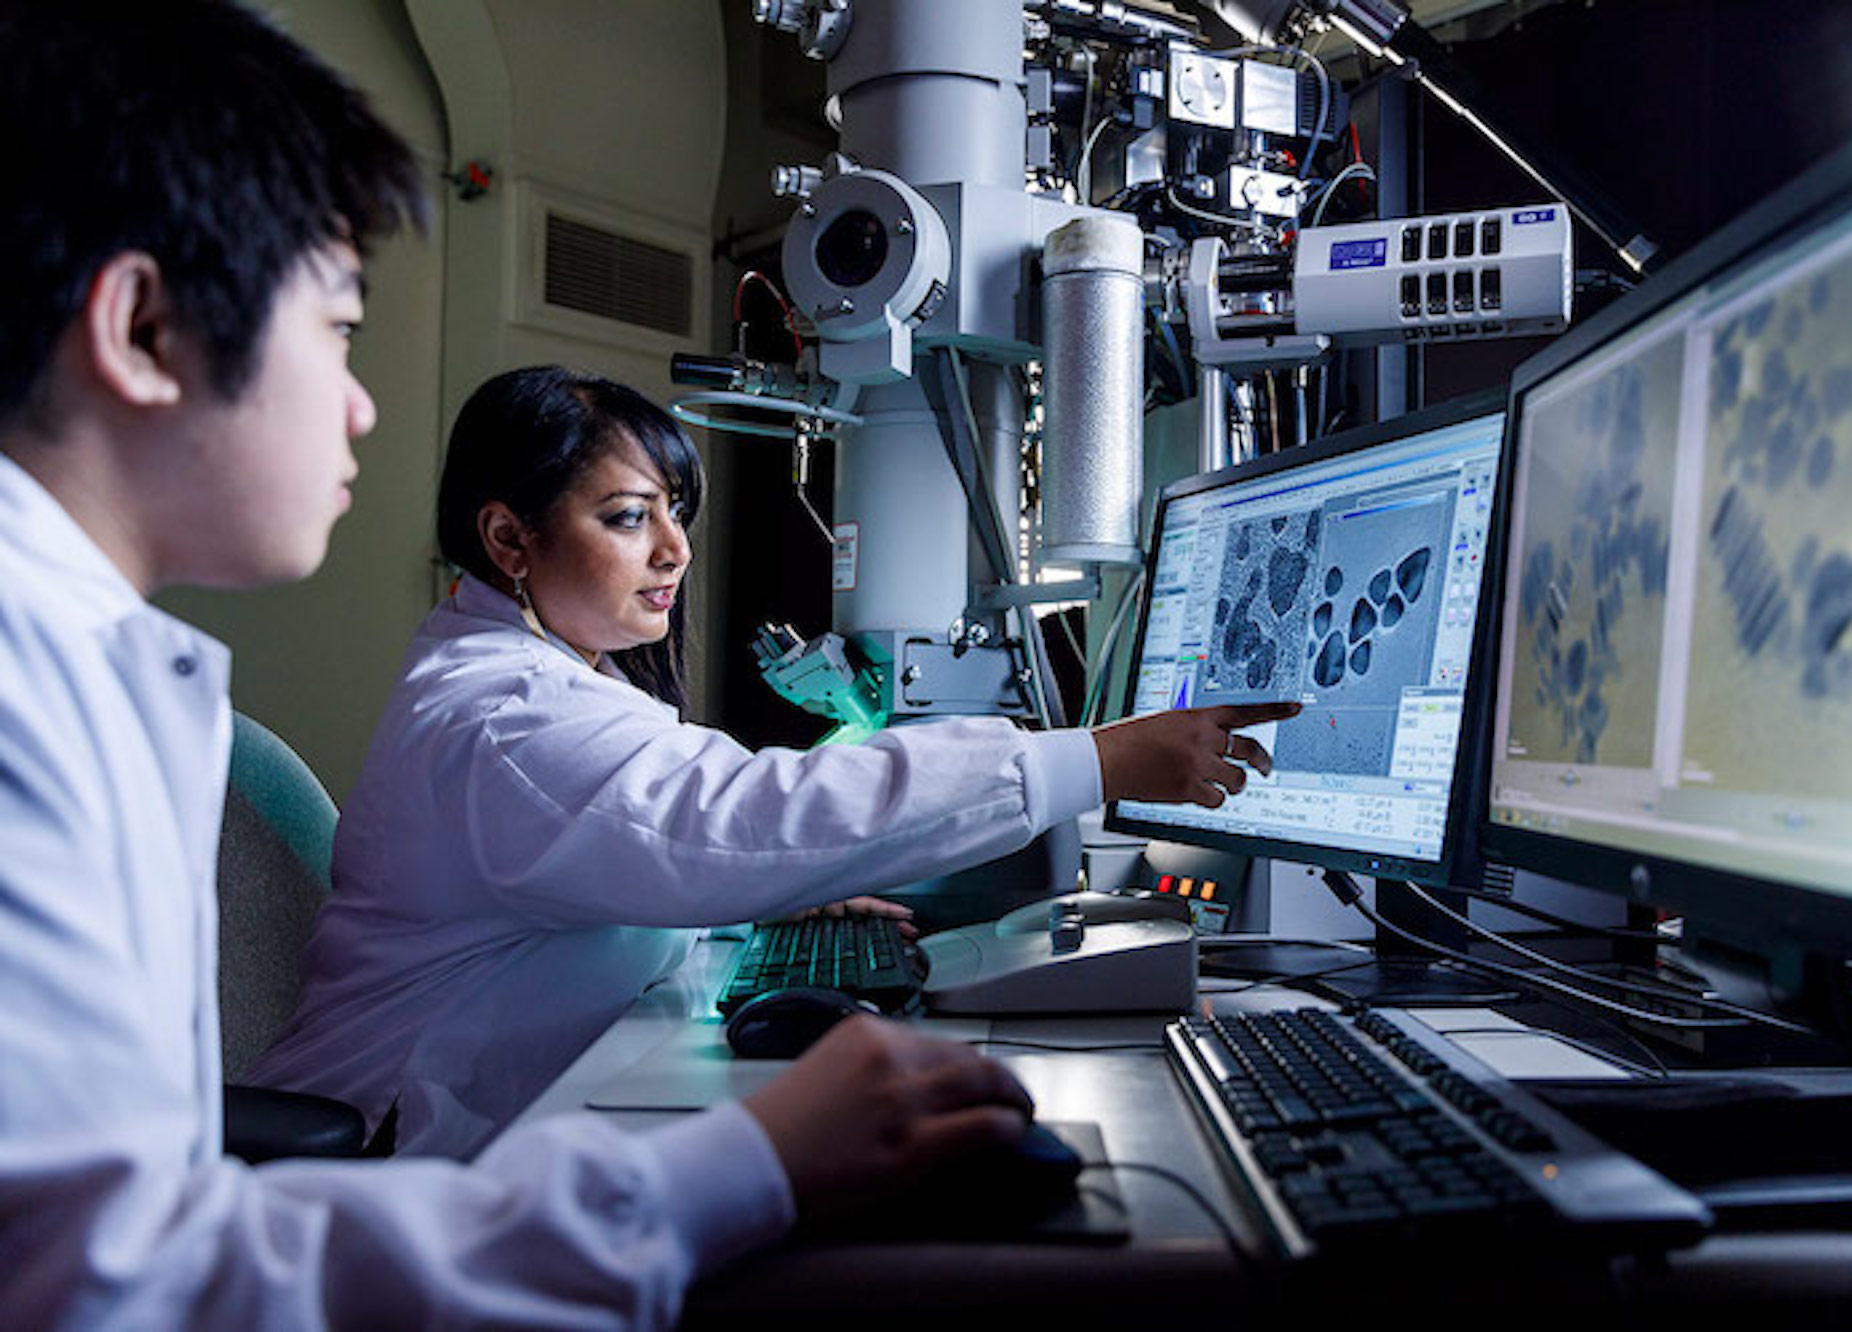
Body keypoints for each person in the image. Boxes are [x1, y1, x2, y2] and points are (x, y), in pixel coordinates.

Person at [0, 2, 1282, 1323]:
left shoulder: (95, 663)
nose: (361, 404)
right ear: (143, 328)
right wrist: (1090, 760)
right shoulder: (477, 717)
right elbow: (120, 1288)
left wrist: (748, 917)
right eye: (337, 332)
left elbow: (651, 854)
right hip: (395, 1160)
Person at [250, 365, 1298, 1158]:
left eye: (675, 511)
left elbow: (628, 859)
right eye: (628, 517)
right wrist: (1093, 761)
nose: (674, 549)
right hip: (394, 1152)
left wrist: (766, 896)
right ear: (510, 541)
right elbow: (733, 820)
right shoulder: (503, 718)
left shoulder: (529, 678)